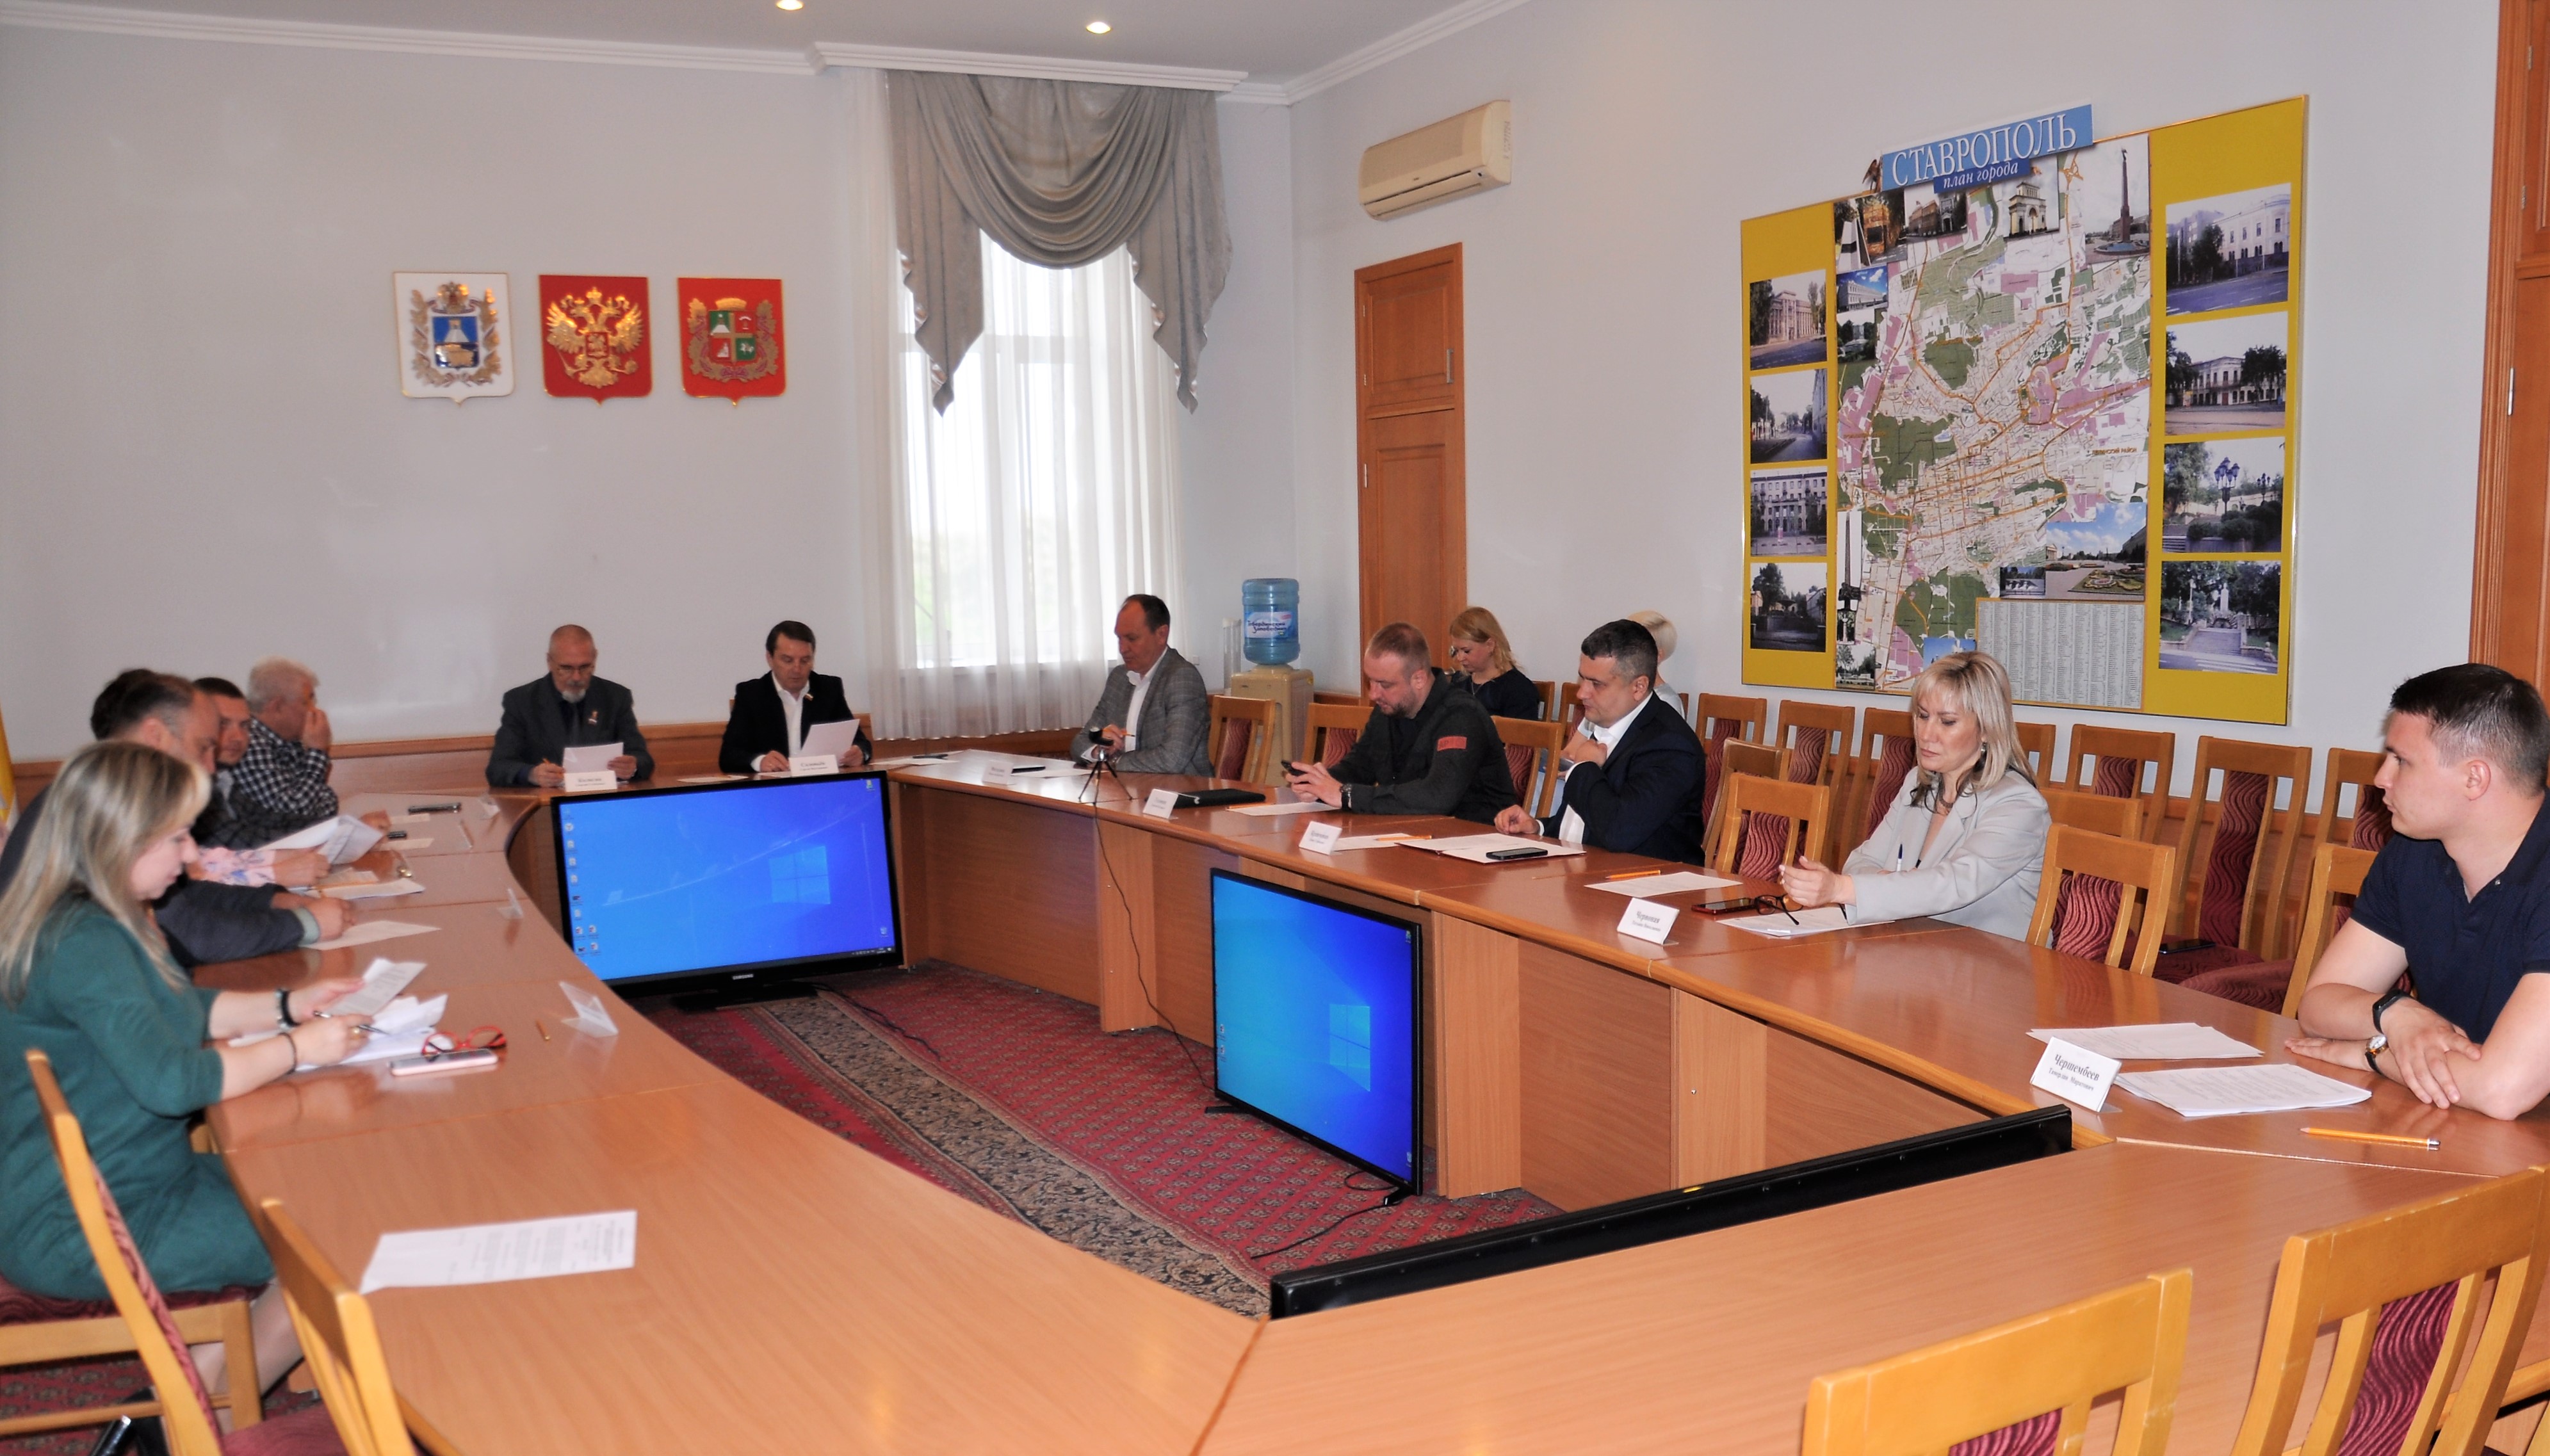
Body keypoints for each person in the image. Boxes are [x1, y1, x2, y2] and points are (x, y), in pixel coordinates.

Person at [0, 740, 368, 1406]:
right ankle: (199, 1418)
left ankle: (192, 1393)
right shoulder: (86, 941)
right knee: (342, 1232)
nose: (192, 853)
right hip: (91, 1223)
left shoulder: (90, 916)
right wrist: (298, 1048)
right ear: (121, 840)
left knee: (322, 1187)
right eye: (176, 837)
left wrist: (288, 1006)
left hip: (116, 1187)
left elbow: (176, 1007)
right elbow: (172, 1084)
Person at [2287, 665, 2550, 1119]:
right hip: (2455, 1114)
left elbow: (2501, 1091)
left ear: (2474, 779)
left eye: (2401, 761)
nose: (2381, 778)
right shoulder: (2415, 851)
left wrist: (2371, 1054)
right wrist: (2394, 1012)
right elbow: (2317, 1005)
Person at [0, 672, 346, 960]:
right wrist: (303, 924)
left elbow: (184, 896)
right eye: (203, 747)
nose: (210, 767)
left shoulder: (118, 795)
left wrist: (272, 899)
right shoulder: (102, 806)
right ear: (156, 736)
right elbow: (190, 935)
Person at [1778, 651, 2048, 939]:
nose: (1927, 734)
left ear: (1986, 730)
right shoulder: (1919, 783)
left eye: (1947, 722)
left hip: (1992, 959)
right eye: (1923, 716)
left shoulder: (2020, 805)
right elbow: (1862, 861)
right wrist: (1889, 888)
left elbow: (1953, 884)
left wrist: (1842, 888)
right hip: (1915, 948)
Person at [1493, 620, 1703, 861]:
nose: (1582, 693)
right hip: (1590, 869)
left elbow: (1619, 831)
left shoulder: (1670, 745)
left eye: (1597, 684)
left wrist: (1585, 767)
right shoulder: (1610, 720)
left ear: (1639, 687)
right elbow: (1589, 821)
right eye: (1583, 679)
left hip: (1647, 879)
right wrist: (1539, 827)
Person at [1287, 623, 1518, 822]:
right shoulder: (1387, 709)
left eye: (1384, 684)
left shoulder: (1462, 716)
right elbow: (1359, 768)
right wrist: (1318, 784)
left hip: (1476, 841)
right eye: (1371, 682)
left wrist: (1346, 795)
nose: (1374, 694)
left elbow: (1437, 796)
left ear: (1418, 679)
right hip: (1412, 833)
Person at [488, 625, 654, 787]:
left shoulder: (615, 697)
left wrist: (632, 766)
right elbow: (498, 767)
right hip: (547, 801)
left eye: (584, 667)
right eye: (566, 668)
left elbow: (643, 759)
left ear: (595, 658)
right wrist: (532, 774)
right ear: (550, 661)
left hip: (602, 798)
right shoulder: (522, 701)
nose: (576, 677)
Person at [1068, 595, 1210, 775]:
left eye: (1132, 638)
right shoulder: (1119, 678)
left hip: (1180, 788)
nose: (1122, 648)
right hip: (1127, 786)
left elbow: (1172, 759)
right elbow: (1080, 743)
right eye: (1119, 638)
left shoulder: (1182, 679)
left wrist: (1115, 762)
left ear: (1161, 634)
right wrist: (1098, 750)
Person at [719, 620, 872, 774]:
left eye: (805, 661)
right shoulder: (751, 694)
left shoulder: (828, 689)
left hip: (820, 781)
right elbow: (728, 756)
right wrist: (760, 762)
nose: (797, 669)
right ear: (770, 658)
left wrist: (860, 753)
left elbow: (860, 742)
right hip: (775, 785)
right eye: (788, 660)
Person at [223, 658, 339, 846]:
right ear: (277, 707)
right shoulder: (249, 743)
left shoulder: (289, 742)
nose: (313, 710)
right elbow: (296, 815)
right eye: (307, 701)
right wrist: (317, 752)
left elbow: (328, 803)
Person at [1445, 606, 1543, 721]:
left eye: (1466, 651)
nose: (1460, 658)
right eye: (1456, 651)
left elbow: (1521, 732)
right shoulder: (1459, 682)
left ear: (1490, 645)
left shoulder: (1518, 690)